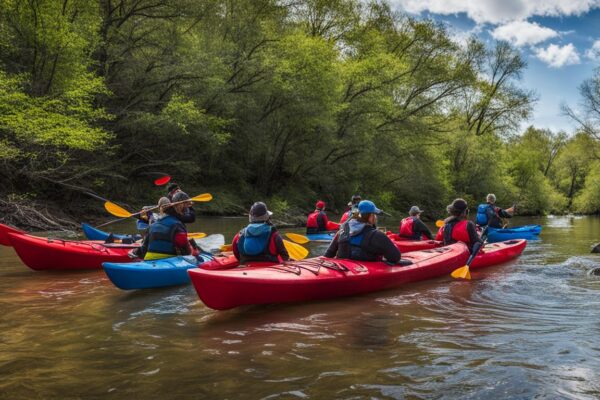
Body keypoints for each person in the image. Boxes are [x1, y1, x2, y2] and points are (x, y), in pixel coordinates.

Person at [325, 200, 401, 263]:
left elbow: (328, 255)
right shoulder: (377, 235)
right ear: (371, 216)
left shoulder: (342, 231)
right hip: (362, 276)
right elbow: (395, 257)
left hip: (342, 271)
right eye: (374, 215)